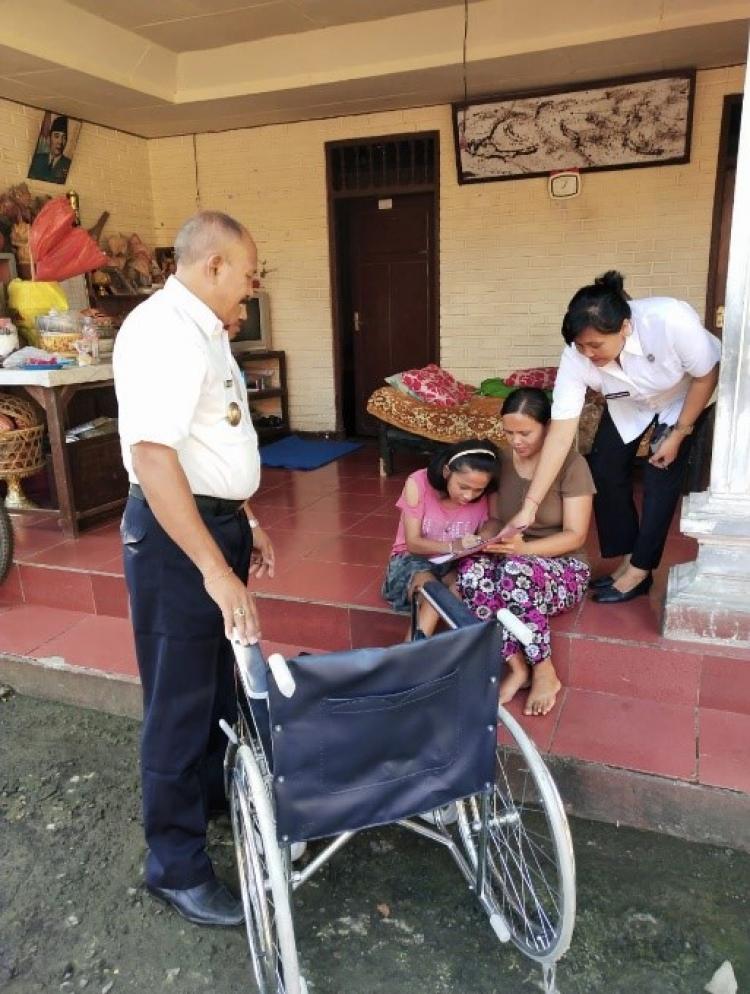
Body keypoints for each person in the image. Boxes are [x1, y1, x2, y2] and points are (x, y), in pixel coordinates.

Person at [114, 210, 275, 928]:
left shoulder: (204, 328)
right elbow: (154, 459)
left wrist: (245, 516)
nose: (253, 287)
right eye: (248, 274)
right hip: (180, 545)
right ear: (212, 265)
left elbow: (210, 440)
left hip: (213, 525)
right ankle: (174, 866)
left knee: (215, 686)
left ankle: (210, 797)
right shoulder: (163, 331)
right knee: (178, 706)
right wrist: (214, 570)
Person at [505, 271, 721, 605]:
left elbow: (706, 375)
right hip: (630, 403)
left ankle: (641, 569)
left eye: (595, 345)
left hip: (684, 397)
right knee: (604, 468)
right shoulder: (575, 356)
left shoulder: (669, 320)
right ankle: (629, 555)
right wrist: (530, 506)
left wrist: (679, 433)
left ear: (624, 327)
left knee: (659, 473)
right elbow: (561, 435)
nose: (588, 353)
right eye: (580, 345)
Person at [457, 389, 594, 716]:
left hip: (563, 567)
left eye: (525, 433)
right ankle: (516, 666)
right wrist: (484, 540)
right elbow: (493, 518)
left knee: (515, 572)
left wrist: (525, 549)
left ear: (547, 427)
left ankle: (544, 668)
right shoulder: (500, 462)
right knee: (471, 572)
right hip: (510, 559)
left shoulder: (571, 465)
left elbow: (576, 535)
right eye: (508, 432)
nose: (515, 440)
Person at [382, 439, 501, 637]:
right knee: (434, 594)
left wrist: (483, 538)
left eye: (478, 490)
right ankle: (407, 660)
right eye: (463, 486)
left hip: (454, 562)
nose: (469, 496)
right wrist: (454, 545)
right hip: (412, 561)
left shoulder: (488, 490)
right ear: (447, 472)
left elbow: (495, 521)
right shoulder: (418, 482)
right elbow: (413, 543)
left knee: (465, 587)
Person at [28, 115, 73, 184]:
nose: (60, 142)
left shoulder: (68, 164)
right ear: (49, 139)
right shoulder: (37, 159)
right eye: (56, 136)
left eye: (64, 137)